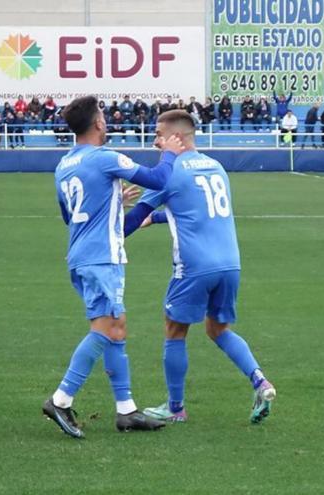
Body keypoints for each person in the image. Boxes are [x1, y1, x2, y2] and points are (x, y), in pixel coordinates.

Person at [122, 109, 276, 424]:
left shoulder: (170, 170)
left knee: (174, 329)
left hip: (195, 265)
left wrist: (106, 229)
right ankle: (260, 381)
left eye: (158, 134)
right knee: (218, 329)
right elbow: (199, 210)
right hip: (230, 263)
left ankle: (175, 408)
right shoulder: (216, 166)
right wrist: (161, 216)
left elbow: (130, 223)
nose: (154, 141)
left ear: (176, 138)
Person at [43, 95, 182, 439]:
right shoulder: (105, 158)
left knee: (117, 328)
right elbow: (158, 178)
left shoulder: (65, 165)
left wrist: (111, 202)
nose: (106, 119)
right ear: (98, 123)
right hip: (102, 256)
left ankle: (126, 411)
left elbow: (68, 216)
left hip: (81, 255)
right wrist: (170, 151)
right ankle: (60, 399)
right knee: (105, 327)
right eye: (103, 114)